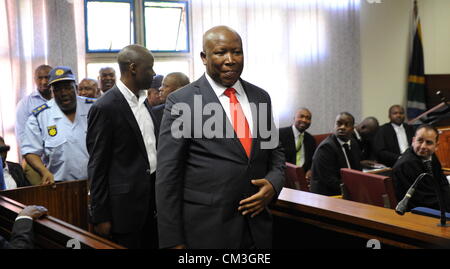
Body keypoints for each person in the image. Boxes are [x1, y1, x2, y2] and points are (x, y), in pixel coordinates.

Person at [155, 26, 285, 249]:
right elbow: (168, 174)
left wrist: (274, 184)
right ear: (204, 57)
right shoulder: (182, 101)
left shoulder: (260, 97)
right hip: (206, 231)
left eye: (237, 52)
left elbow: (275, 153)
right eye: (220, 52)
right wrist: (172, 240)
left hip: (256, 229)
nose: (230, 60)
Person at [87, 44, 159, 249]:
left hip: (152, 204)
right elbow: (97, 165)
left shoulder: (144, 101)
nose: (153, 74)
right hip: (124, 210)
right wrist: (100, 216)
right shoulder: (105, 107)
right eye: (150, 68)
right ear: (133, 68)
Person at [21, 66, 95, 184]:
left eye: (68, 88)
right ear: (52, 92)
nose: (64, 93)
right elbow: (30, 151)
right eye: (58, 89)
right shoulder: (40, 116)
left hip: (96, 182)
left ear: (76, 88)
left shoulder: (94, 108)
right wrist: (44, 171)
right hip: (61, 185)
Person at [393, 125, 450, 211]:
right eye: (420, 140)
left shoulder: (430, 155)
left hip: (436, 203)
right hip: (418, 210)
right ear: (413, 141)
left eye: (429, 142)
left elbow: (443, 182)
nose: (423, 146)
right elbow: (423, 198)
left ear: (436, 145)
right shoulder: (407, 164)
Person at [310, 112, 362, 196]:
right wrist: (352, 189)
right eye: (339, 124)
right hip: (326, 194)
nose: (342, 127)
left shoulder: (353, 143)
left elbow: (358, 170)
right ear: (334, 126)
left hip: (346, 190)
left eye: (346, 124)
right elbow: (328, 179)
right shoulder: (326, 148)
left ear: (352, 129)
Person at [15, 65, 53, 147]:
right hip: (37, 155)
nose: (44, 82)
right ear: (35, 80)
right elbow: (22, 134)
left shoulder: (62, 100)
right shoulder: (25, 104)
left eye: (47, 77)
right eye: (40, 78)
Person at [279, 108, 316, 180]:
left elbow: (313, 160)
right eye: (301, 116)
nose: (304, 120)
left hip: (304, 177)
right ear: (294, 118)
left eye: (308, 118)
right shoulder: (280, 134)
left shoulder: (311, 139)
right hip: (285, 176)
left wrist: (311, 170)